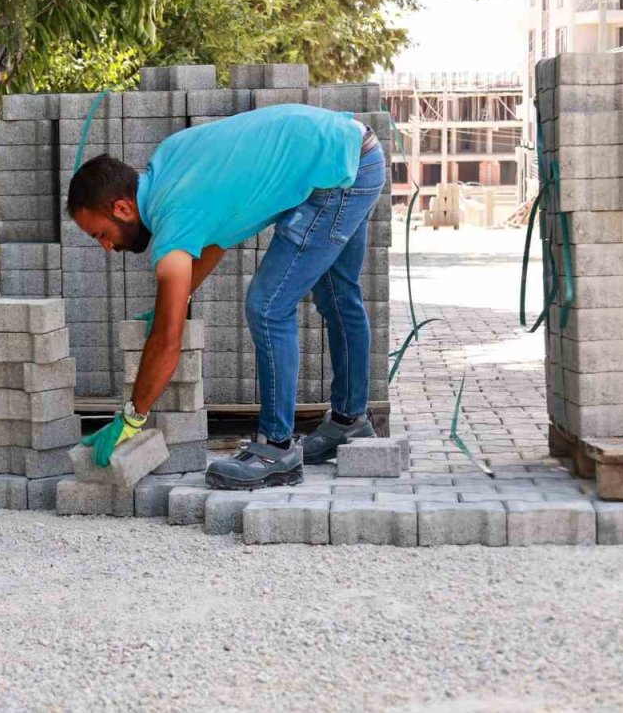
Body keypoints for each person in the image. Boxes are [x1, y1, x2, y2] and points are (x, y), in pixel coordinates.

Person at [67, 103, 386, 489]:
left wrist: (131, 417)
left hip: (337, 177)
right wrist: (173, 301)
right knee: (338, 296)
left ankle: (276, 448)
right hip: (352, 149)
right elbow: (216, 237)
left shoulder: (172, 221)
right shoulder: (168, 162)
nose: (105, 246)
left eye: (101, 234)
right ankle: (350, 422)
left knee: (268, 306)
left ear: (121, 208)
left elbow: (167, 341)